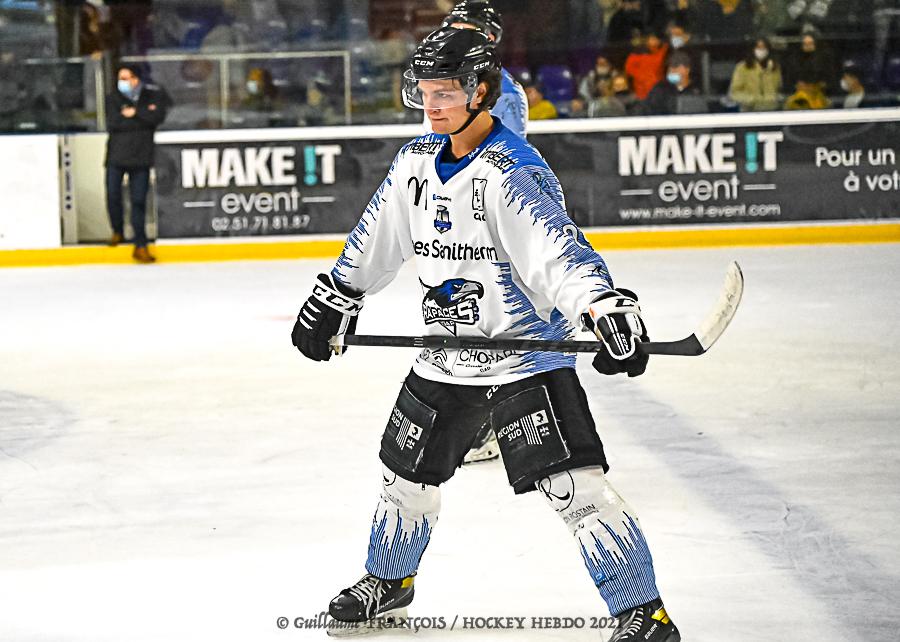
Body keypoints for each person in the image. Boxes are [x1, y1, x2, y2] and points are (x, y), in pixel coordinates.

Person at [290, 26, 681, 642]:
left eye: (445, 92)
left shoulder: (511, 171)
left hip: (524, 359)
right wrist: (339, 294)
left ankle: (643, 613)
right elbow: (377, 237)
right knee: (404, 479)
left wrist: (601, 305)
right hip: (444, 357)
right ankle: (390, 582)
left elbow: (557, 253)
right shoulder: (414, 162)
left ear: (481, 92)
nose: (432, 104)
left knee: (575, 488)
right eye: (425, 92)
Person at [437, 0, 529, 464]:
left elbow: (499, 164)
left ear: (488, 39)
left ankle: (494, 423)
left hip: (487, 220)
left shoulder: (499, 92)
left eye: (465, 28)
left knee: (490, 320)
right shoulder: (460, 84)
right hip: (464, 219)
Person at [105, 64, 170, 262]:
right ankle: (117, 230)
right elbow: (113, 123)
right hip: (116, 156)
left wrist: (135, 113)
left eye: (126, 78)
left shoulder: (152, 96)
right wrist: (142, 117)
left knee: (138, 201)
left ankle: (140, 243)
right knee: (113, 195)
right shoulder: (113, 98)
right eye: (120, 78)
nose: (122, 82)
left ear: (136, 79)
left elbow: (156, 118)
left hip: (141, 156)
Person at [435, 0, 529, 138]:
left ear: (488, 39)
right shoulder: (436, 81)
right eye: (450, 33)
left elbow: (510, 148)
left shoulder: (505, 93)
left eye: (464, 34)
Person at [640, 50, 709, 114]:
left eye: (676, 67)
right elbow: (647, 111)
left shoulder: (698, 90)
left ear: (687, 70)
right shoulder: (660, 89)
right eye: (670, 68)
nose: (672, 71)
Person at [727, 37, 783, 111]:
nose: (761, 50)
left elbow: (778, 88)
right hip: (750, 110)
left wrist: (776, 99)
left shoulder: (774, 66)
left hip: (772, 110)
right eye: (758, 47)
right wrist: (751, 100)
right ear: (752, 49)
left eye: (764, 47)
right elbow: (734, 92)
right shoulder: (742, 67)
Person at [624, 30, 669, 100]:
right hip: (641, 94)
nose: (653, 42)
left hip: (659, 92)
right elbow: (629, 71)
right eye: (650, 39)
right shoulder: (635, 56)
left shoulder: (663, 52)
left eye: (655, 39)